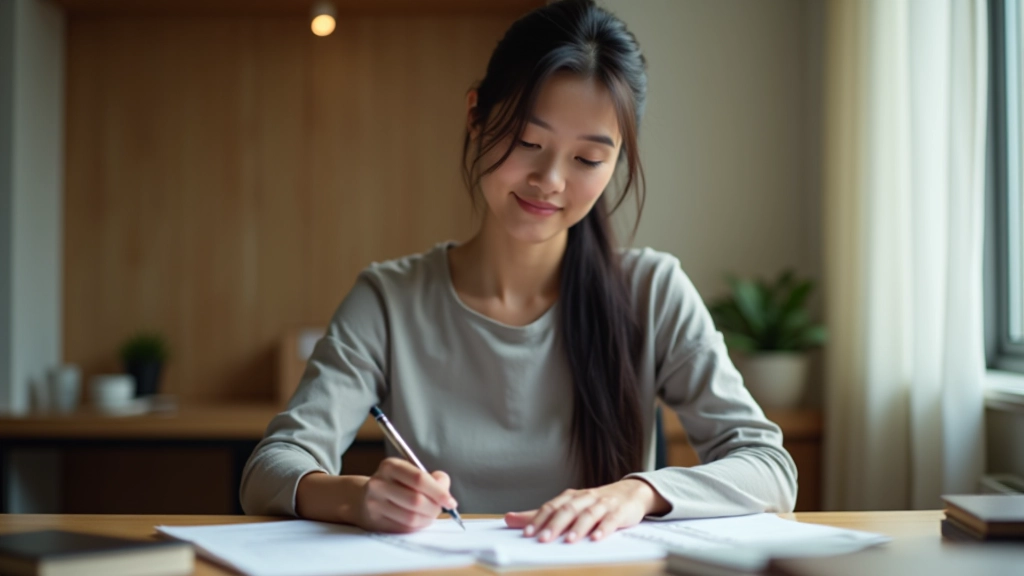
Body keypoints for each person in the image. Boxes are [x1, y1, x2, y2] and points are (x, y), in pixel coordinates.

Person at [240, 0, 797, 544]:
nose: (550, 179)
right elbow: (271, 466)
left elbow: (770, 467)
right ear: (477, 115)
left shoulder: (652, 291)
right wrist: (355, 498)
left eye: (587, 159)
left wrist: (638, 493)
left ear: (617, 160)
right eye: (529, 142)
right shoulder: (389, 300)